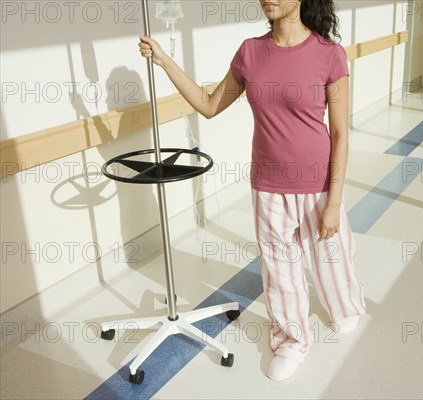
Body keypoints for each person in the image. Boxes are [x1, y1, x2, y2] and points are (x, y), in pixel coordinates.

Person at [139, 0, 365, 381]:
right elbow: (209, 106)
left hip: (318, 183)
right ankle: (291, 339)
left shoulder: (329, 55)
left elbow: (341, 134)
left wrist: (335, 201)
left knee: (331, 258)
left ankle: (345, 308)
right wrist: (164, 61)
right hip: (268, 183)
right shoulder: (251, 51)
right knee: (279, 269)